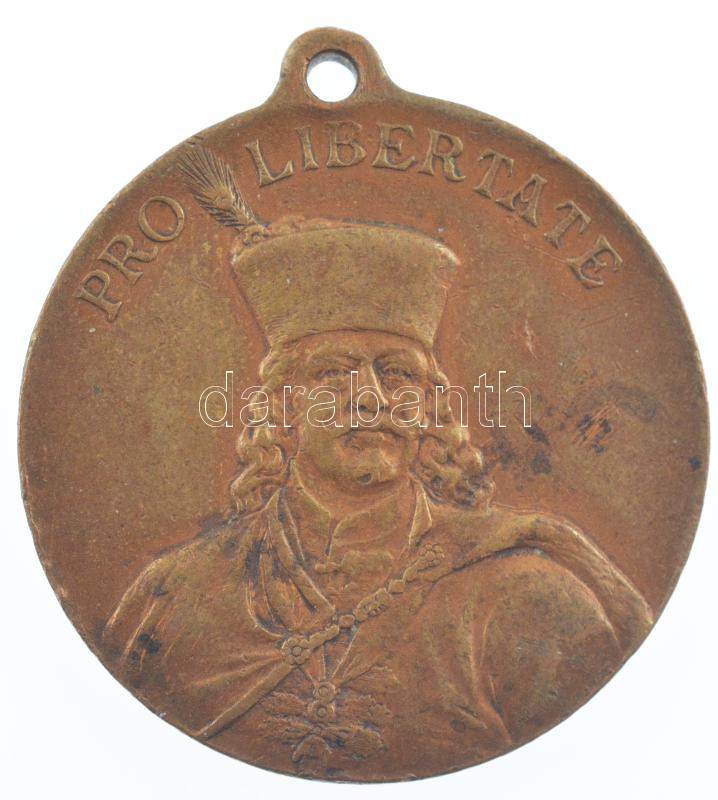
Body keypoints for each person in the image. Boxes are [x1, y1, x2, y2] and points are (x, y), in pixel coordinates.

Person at [104, 182, 653, 780]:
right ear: (283, 406)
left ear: (428, 408)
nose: (370, 398)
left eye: (398, 375)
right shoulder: (172, 596)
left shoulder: (525, 595)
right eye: (333, 373)